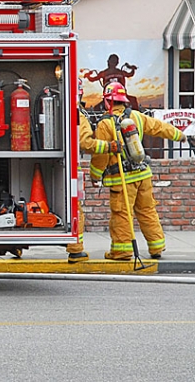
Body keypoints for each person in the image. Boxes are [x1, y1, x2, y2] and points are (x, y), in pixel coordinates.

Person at [89, 81, 186, 260]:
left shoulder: (105, 124)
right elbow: (159, 127)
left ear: (107, 102)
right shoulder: (136, 116)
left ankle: (122, 251)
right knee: (147, 210)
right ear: (124, 100)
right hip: (143, 174)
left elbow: (100, 154)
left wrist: (95, 175)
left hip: (122, 179)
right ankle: (157, 247)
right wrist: (179, 135)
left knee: (122, 213)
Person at [67, 78, 120, 263]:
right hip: (71, 170)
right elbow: (85, 143)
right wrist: (109, 146)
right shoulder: (77, 113)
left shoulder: (67, 109)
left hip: (62, 169)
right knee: (76, 210)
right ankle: (76, 249)